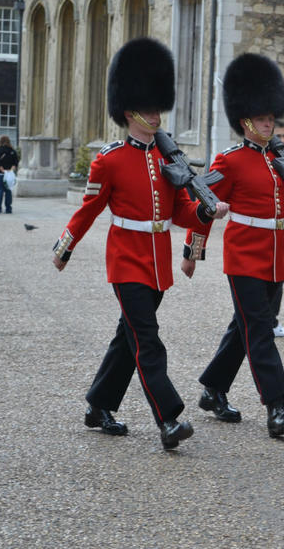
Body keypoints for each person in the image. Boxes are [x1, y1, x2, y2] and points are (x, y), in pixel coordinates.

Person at [52, 37, 221, 450]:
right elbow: (90, 209)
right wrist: (65, 246)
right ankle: (168, 419)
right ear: (129, 113)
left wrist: (204, 213)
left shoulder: (168, 160)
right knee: (147, 339)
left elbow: (179, 211)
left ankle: (99, 405)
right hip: (126, 259)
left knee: (127, 338)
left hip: (158, 261)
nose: (155, 115)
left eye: (157, 109)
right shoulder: (108, 159)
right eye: (148, 110)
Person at [181, 53, 284, 437]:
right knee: (260, 330)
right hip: (244, 255)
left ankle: (213, 389)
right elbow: (203, 203)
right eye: (264, 118)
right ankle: (277, 407)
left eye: (272, 118)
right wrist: (192, 251)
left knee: (245, 327)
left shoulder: (281, 161)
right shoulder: (229, 160)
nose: (270, 123)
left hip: (275, 255)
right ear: (246, 120)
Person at [270, 120, 284, 338]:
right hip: (255, 236)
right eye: (280, 136)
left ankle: (272, 320)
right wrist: (193, 249)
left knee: (279, 279)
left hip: (281, 235)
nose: (283, 140)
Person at [0, 135, 19, 213]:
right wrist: (10, 171)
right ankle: (8, 208)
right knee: (8, 190)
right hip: (9, 172)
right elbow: (15, 162)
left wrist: (2, 170)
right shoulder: (12, 151)